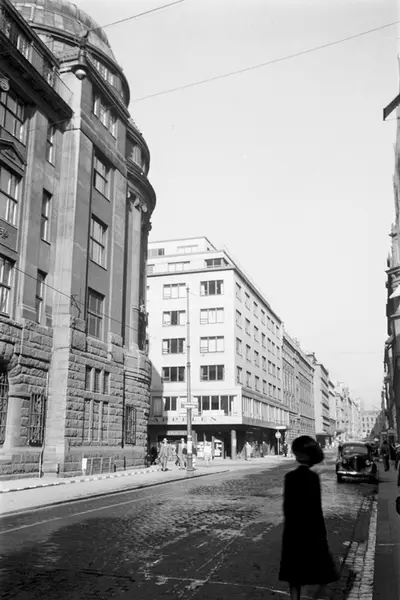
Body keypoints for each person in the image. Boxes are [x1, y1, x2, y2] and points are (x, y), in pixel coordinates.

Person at [279, 435, 338, 600]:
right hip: (311, 532)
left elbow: (287, 508)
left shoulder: (290, 477)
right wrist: (321, 534)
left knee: (294, 576)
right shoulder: (313, 478)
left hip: (293, 532)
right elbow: (315, 509)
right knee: (319, 571)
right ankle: (319, 595)